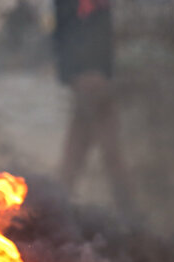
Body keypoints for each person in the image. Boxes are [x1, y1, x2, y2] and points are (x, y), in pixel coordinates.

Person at [53, 0, 133, 211]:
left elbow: (89, 28)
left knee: (82, 147)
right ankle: (129, 212)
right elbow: (70, 27)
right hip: (90, 75)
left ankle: (57, 204)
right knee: (103, 148)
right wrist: (76, 73)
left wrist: (77, 73)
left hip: (92, 74)